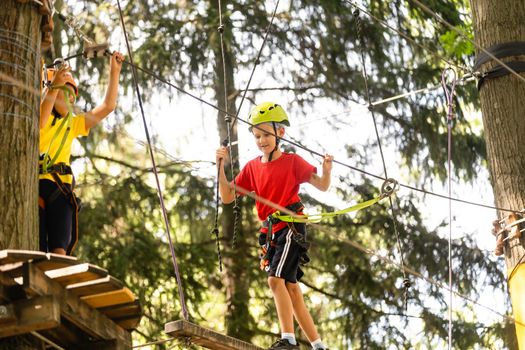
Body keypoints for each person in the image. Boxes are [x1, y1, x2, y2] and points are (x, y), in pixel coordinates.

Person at [216, 102, 332, 350]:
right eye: (257, 136)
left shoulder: (292, 162)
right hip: (271, 232)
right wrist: (220, 166)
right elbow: (227, 197)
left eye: (266, 134)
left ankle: (288, 340)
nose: (261, 140)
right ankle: (318, 345)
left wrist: (327, 170)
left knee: (274, 280)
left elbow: (322, 185)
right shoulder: (252, 168)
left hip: (291, 226)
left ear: (280, 133)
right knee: (290, 287)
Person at [39, 51, 124, 255]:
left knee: (60, 249)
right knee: (39, 246)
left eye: (72, 96)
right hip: (39, 187)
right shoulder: (40, 116)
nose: (69, 100)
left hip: (61, 189)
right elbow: (40, 119)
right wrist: (53, 87)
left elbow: (107, 107)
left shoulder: (73, 124)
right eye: (64, 93)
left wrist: (114, 72)